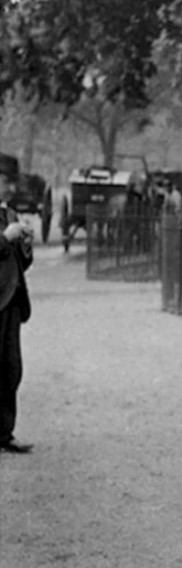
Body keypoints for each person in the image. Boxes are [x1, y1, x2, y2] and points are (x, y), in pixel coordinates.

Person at [0, 153, 34, 454]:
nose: (11, 189)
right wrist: (3, 238)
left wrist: (24, 244)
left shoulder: (9, 214)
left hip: (10, 301)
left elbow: (20, 262)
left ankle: (4, 433)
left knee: (10, 369)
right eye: (7, 182)